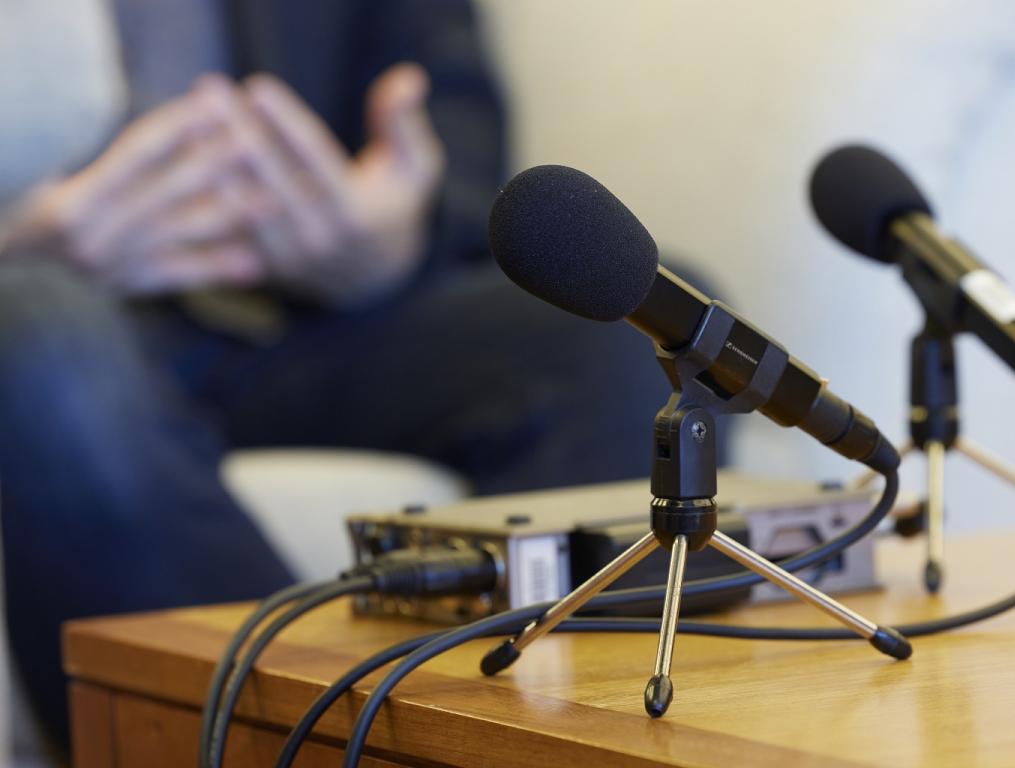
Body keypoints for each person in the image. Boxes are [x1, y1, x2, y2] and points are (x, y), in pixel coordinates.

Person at [0, 0, 668, 748]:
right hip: (55, 314)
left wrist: (393, 231)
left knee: (622, 327)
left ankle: (560, 749)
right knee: (39, 329)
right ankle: (313, 745)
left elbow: (456, 118)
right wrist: (15, 241)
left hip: (302, 322)